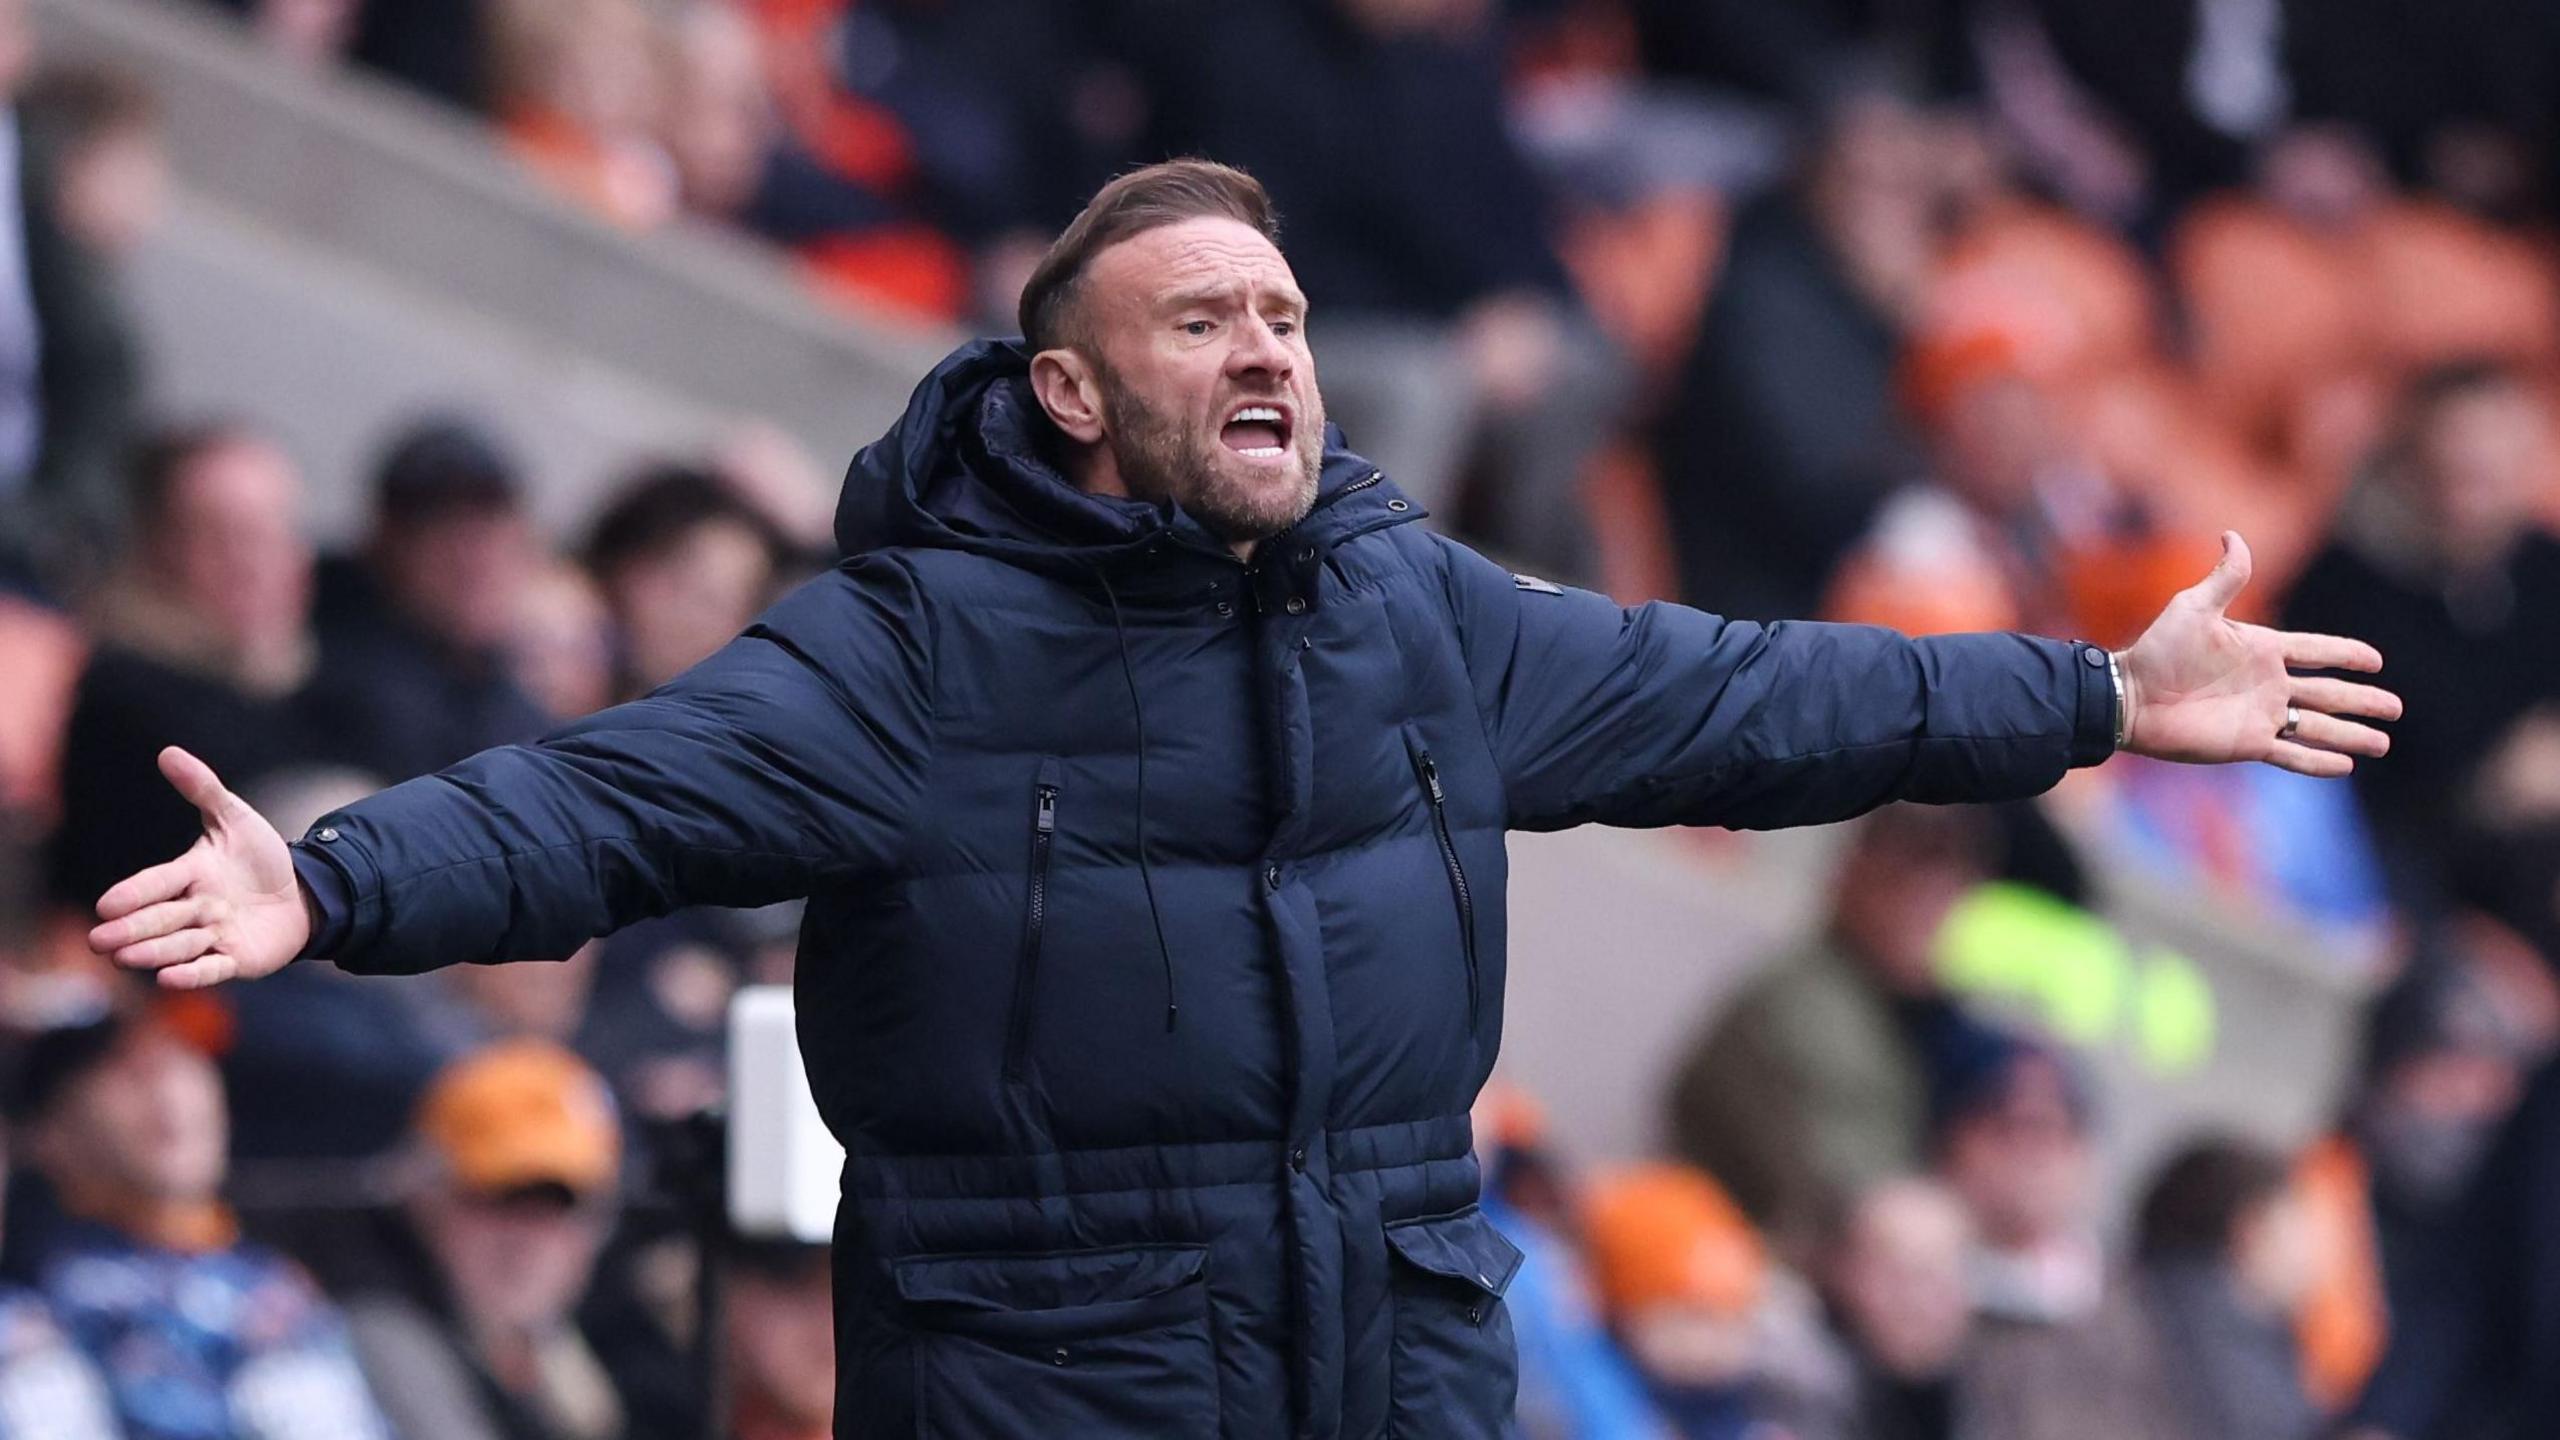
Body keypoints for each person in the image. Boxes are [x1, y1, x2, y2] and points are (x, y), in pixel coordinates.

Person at [82, 159, 2397, 1436]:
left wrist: (2090, 689)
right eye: (1205, 319)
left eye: (1284, 312)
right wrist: (336, 875)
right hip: (1050, 1377)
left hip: (1387, 1360)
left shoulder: (1423, 612)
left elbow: (1763, 696)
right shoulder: (918, 645)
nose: (1269, 344)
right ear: (1070, 395)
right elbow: (612, 798)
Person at [8, 1008, 393, 1440]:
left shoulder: (275, 1277)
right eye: (123, 1068)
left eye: (181, 1056)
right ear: (50, 1138)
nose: (165, 1085)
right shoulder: (36, 1308)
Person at [1668, 803, 2011, 1255]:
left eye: (1952, 878)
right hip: (1735, 1267)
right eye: (1908, 871)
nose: (1931, 897)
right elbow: (1860, 1207)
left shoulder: (1908, 1014)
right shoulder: (1801, 1006)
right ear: (1853, 871)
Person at [48, 423, 329, 913]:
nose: (249, 564)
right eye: (221, 536)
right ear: (158, 547)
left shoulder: (312, 680)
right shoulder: (128, 692)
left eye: (267, 534)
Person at [341, 1039, 626, 1440]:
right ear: (425, 1199)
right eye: (500, 1198)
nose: (529, 1241)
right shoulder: (380, 1331)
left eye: (560, 1206)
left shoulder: (597, 1348)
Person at [1935, 1039, 2187, 1440]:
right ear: (1949, 1145)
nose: (2033, 1154)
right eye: (2006, 1127)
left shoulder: (2135, 1310)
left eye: (2056, 1131)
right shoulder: (1907, 1291)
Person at [308, 417, 554, 781]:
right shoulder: (335, 679)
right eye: (443, 530)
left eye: (489, 529)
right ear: (386, 546)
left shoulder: (515, 706)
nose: (471, 558)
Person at [2134, 1138, 2321, 1440]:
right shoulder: (2214, 1342)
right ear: (2250, 1230)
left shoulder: (2243, 1327)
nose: (2314, 1247)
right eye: (2298, 1222)